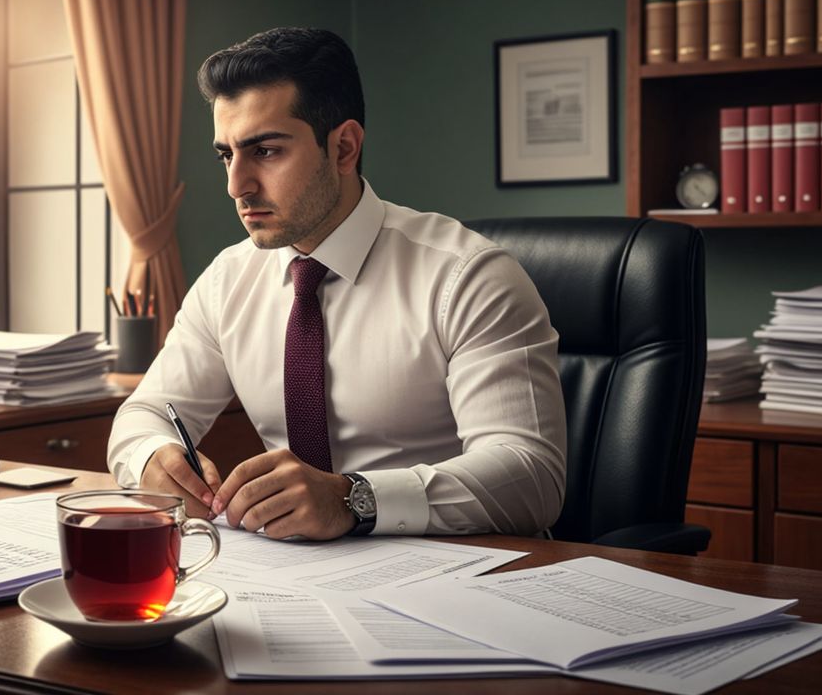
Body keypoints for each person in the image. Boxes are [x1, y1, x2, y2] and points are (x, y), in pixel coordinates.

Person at [105, 27, 567, 541]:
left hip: (461, 578)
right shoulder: (226, 282)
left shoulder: (467, 277)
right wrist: (151, 458)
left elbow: (532, 478)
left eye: (266, 151)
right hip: (296, 581)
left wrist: (353, 499)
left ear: (343, 147)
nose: (236, 185)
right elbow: (144, 414)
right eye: (227, 156)